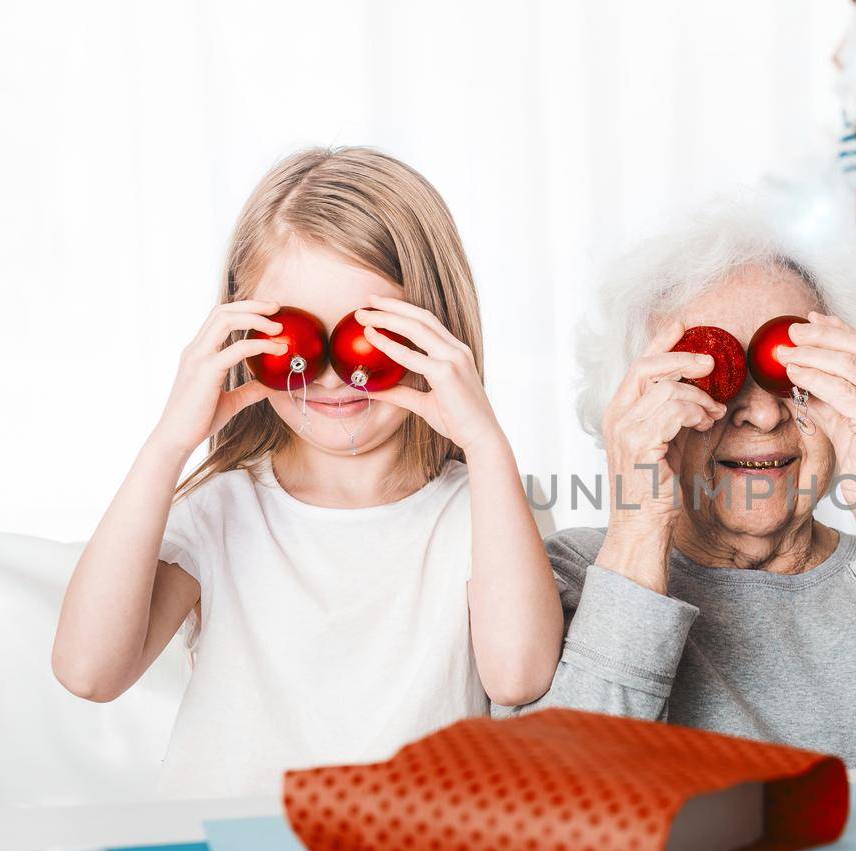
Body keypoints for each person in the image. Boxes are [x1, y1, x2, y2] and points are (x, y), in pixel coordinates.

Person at [52, 147, 563, 797]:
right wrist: (169, 442)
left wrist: (487, 444)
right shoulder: (225, 509)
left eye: (368, 334)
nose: (326, 371)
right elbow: (88, 670)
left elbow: (517, 676)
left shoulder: (484, 510)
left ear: (437, 331)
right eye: (293, 336)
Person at [500, 201, 856, 767]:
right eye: (710, 374)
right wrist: (637, 528)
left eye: (792, 370)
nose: (761, 415)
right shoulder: (569, 579)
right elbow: (567, 809)